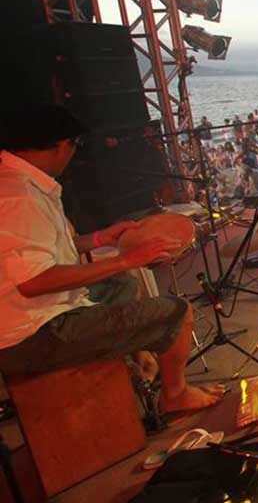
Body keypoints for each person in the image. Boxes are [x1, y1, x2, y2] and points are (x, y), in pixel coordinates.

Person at [0, 105, 224, 412]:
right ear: (64, 144)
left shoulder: (19, 183)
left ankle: (140, 360)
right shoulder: (19, 197)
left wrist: (98, 239)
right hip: (35, 333)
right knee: (177, 311)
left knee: (120, 286)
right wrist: (125, 259)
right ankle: (175, 396)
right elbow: (33, 282)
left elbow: (42, 252)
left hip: (37, 315)